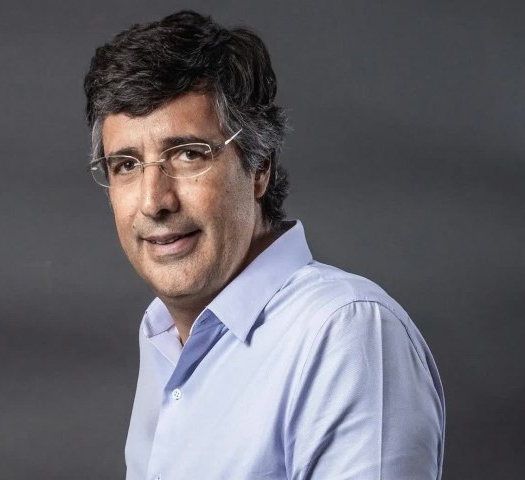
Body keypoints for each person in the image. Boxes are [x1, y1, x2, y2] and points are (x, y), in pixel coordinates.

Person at [84, 10, 445, 480]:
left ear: (259, 168)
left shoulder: (346, 334)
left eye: (189, 154)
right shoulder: (163, 335)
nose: (154, 201)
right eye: (127, 165)